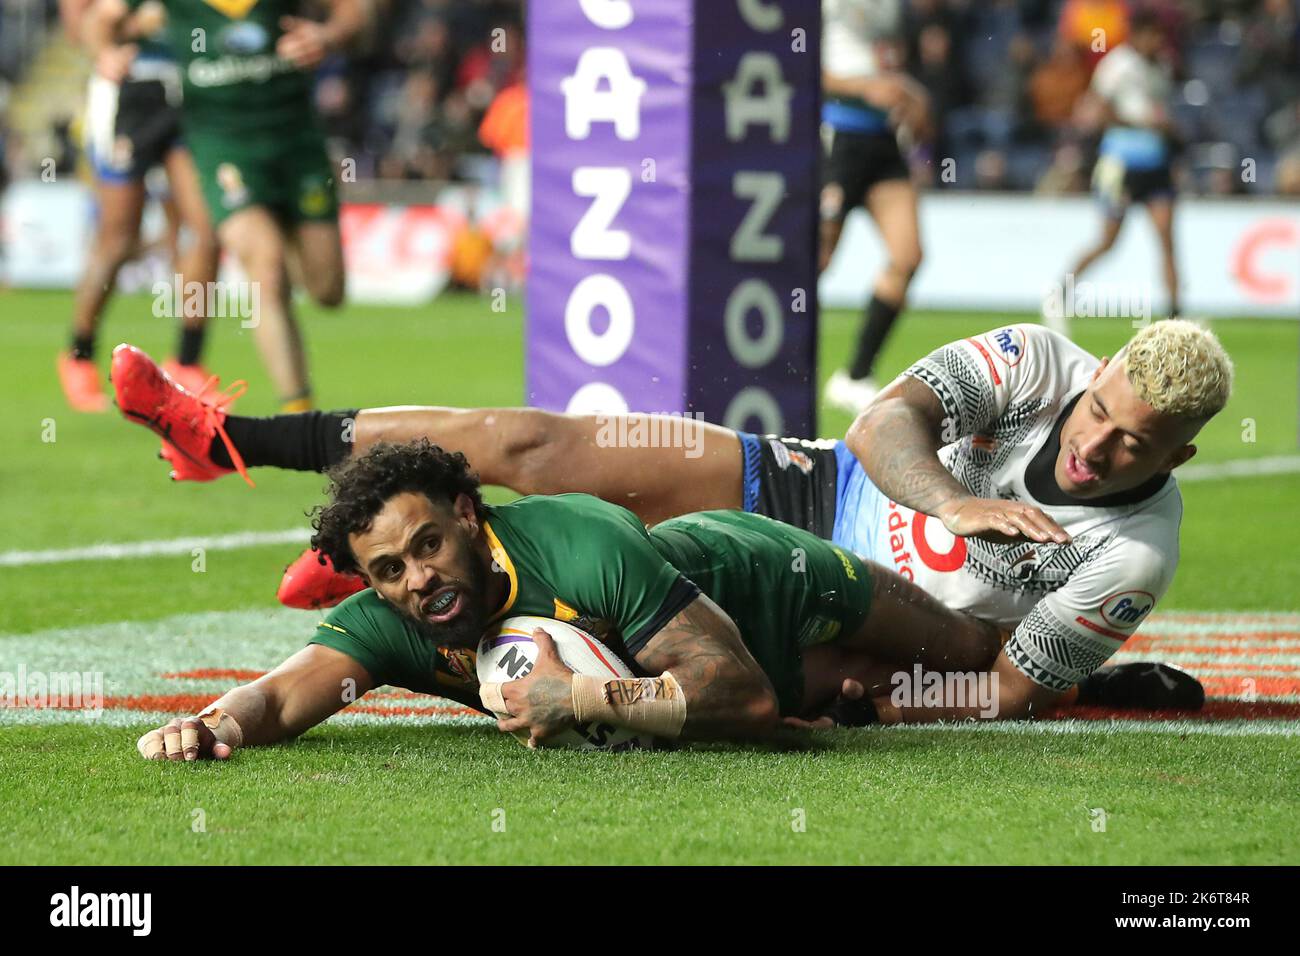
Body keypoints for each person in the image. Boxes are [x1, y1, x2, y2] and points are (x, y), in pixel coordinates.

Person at [112, 317, 1229, 721]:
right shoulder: (1037, 358)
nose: (1094, 443)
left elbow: (1006, 688)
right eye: (1099, 411)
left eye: (1132, 445)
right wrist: (955, 497)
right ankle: (228, 440)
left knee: (706, 688)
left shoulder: (1134, 548)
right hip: (821, 485)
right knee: (542, 441)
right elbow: (889, 421)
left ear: (1177, 455)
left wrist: (887, 701)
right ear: (1100, 370)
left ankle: (365, 569)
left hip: (865, 608)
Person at [135, 438, 1012, 760]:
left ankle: (1092, 649)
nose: (418, 580)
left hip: (767, 579)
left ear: (471, 519)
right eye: (390, 570)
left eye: (429, 545)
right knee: (882, 701)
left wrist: (583, 696)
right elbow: (285, 691)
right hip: (727, 669)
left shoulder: (578, 544)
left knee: (974, 660)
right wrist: (213, 725)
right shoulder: (398, 619)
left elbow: (739, 692)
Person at [101, 0, 370, 411]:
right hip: (221, 148)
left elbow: (357, 10)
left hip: (297, 146)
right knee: (266, 264)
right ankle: (300, 415)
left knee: (328, 291)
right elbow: (98, 17)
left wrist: (327, 36)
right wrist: (104, 52)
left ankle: (280, 224)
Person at [57, 0, 219, 411]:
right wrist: (115, 43)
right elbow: (90, 25)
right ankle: (78, 354)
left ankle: (186, 361)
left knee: (207, 227)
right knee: (118, 239)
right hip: (129, 96)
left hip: (185, 95)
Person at [819, 0, 931, 412]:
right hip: (836, 136)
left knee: (908, 256)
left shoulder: (892, 8)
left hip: (883, 141)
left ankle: (855, 374)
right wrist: (862, 88)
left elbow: (891, 68)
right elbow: (799, 67)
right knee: (817, 259)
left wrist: (914, 97)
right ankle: (773, 366)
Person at [1050, 10, 1180, 337]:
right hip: (1121, 165)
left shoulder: (1161, 66)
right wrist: (1143, 123)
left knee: (1167, 239)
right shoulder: (1117, 65)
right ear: (1138, 34)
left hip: (1155, 164)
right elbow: (1097, 111)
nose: (1157, 42)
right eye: (1152, 35)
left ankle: (1176, 316)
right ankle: (1061, 292)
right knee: (1108, 241)